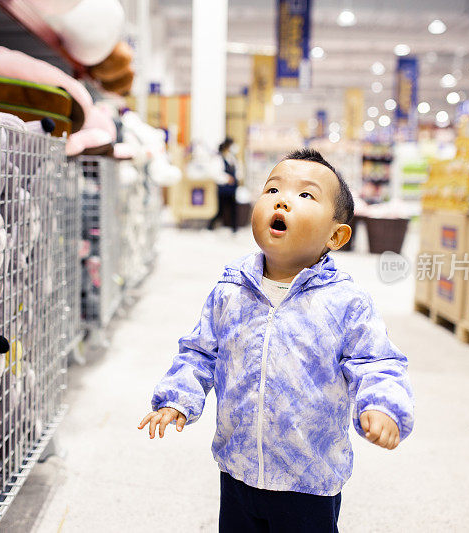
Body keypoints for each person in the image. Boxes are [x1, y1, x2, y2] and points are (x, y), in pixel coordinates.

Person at [138, 148, 414, 533]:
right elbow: (200, 352)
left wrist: (383, 406)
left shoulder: (345, 302)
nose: (282, 199)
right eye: (272, 189)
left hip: (309, 479)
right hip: (237, 469)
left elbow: (376, 362)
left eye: (306, 195)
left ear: (336, 235)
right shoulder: (231, 291)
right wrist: (177, 398)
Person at [208, 137, 239, 232]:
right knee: (221, 211)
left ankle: (234, 229)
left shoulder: (231, 158)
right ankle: (210, 227)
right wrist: (227, 179)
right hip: (223, 189)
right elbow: (215, 174)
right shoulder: (218, 159)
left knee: (234, 209)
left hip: (232, 189)